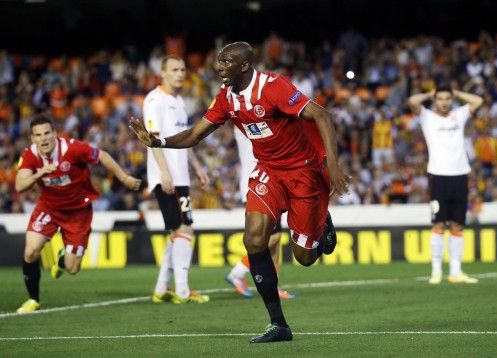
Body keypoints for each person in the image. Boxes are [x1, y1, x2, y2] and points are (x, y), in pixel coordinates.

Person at [130, 42, 348, 343]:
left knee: (305, 258)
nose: (219, 66)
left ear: (244, 66)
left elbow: (322, 116)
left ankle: (321, 220)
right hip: (268, 171)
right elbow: (195, 134)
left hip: (303, 172)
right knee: (254, 239)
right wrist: (159, 143)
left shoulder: (273, 87)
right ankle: (278, 324)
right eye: (218, 60)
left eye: (226, 61)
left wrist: (332, 165)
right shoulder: (226, 97)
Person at [15, 114, 141, 314]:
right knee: (30, 251)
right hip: (49, 207)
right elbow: (20, 185)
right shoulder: (30, 155)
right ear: (32, 138)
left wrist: (123, 177)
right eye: (38, 135)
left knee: (73, 268)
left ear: (55, 134)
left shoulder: (73, 149)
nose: (43, 138)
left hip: (78, 212)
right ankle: (33, 299)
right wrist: (40, 173)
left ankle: (64, 258)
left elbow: (103, 156)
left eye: (47, 133)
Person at [144, 55, 210, 304]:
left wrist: (197, 167)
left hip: (181, 176)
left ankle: (162, 288)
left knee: (178, 231)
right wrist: (164, 171)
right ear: (163, 72)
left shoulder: (180, 101)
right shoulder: (154, 100)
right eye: (175, 69)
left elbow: (186, 140)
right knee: (185, 229)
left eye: (183, 69)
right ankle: (182, 290)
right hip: (166, 176)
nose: (180, 73)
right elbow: (152, 140)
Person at [408, 85, 483, 285]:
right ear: (435, 100)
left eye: (447, 98)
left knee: (458, 224)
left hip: (460, 175)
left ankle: (456, 272)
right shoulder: (427, 117)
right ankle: (436, 271)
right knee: (439, 224)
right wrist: (428, 94)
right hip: (439, 176)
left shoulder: (458, 115)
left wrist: (457, 92)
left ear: (452, 99)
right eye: (440, 98)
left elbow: (478, 101)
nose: (443, 101)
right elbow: (412, 102)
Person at [225, 127, 295, 300]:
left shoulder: (262, 124)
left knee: (276, 238)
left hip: (271, 185)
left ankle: (274, 286)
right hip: (255, 186)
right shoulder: (243, 124)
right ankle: (237, 272)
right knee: (267, 238)